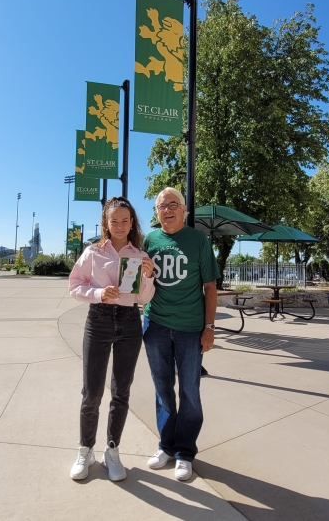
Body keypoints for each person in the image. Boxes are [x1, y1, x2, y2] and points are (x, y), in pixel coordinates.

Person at [68, 197, 155, 482]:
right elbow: (75, 286)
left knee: (121, 392)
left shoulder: (138, 255)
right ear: (105, 222)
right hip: (99, 321)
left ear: (132, 223)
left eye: (124, 221)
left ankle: (112, 451)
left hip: (130, 322)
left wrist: (149, 277)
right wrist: (98, 293)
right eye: (113, 220)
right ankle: (86, 450)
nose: (119, 226)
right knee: (92, 391)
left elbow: (142, 298)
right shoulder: (93, 252)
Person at [142, 187, 219, 481]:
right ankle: (165, 446)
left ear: (184, 210)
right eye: (162, 206)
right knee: (162, 390)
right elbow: (138, 280)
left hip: (190, 328)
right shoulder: (149, 240)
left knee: (189, 391)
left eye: (173, 204)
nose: (167, 209)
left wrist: (209, 328)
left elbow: (210, 287)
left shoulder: (199, 241)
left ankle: (185, 452)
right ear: (157, 212)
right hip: (156, 325)